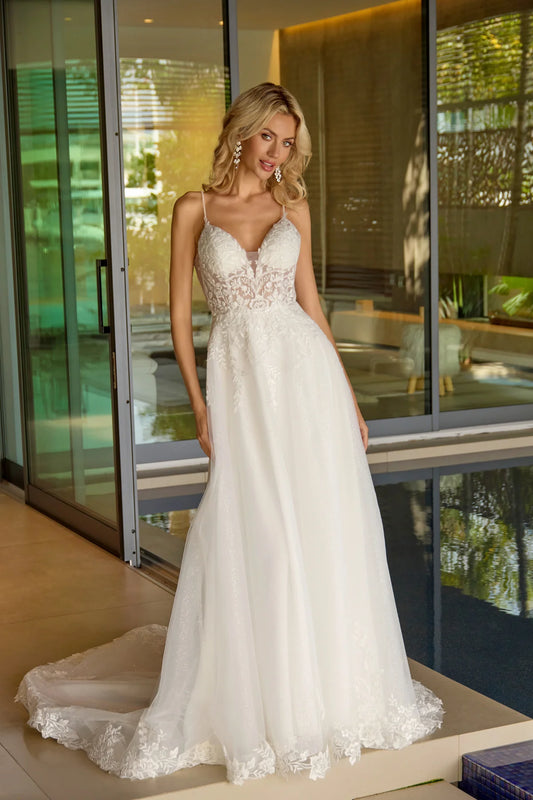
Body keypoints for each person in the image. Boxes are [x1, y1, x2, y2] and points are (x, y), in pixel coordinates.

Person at [16, 82, 442, 786]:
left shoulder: (293, 208)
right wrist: (201, 408)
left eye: (288, 141)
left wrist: (348, 396)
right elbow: (183, 321)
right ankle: (252, 686)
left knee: (316, 524)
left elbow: (311, 305)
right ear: (241, 133)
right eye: (268, 137)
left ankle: (324, 686)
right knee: (252, 525)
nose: (278, 153)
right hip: (239, 383)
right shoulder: (194, 208)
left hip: (304, 381)